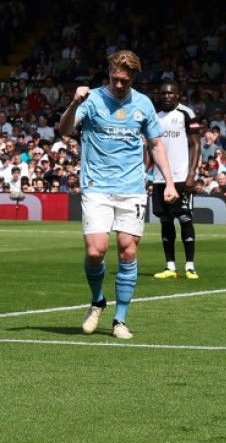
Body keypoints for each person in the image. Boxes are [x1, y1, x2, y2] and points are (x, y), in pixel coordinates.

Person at [58, 50, 179, 340]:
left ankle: (120, 320)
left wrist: (170, 182)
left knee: (128, 250)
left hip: (132, 188)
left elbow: (156, 144)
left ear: (134, 77)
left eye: (125, 80)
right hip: (96, 185)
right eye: (115, 78)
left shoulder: (144, 104)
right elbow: (64, 129)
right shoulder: (91, 99)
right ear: (109, 72)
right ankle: (97, 300)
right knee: (95, 251)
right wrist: (74, 103)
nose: (120, 84)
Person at [151, 81, 202, 281]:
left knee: (184, 218)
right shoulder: (155, 116)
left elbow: (196, 145)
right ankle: (170, 266)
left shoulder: (186, 114)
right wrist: (147, 174)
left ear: (178, 95)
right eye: (163, 93)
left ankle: (190, 266)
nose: (166, 96)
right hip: (159, 177)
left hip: (181, 176)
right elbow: (151, 147)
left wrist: (191, 175)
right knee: (165, 219)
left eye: (170, 93)